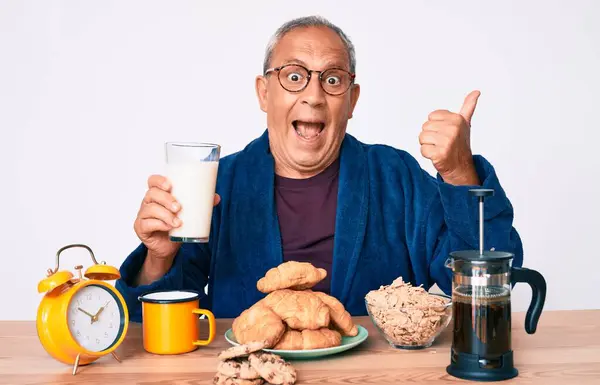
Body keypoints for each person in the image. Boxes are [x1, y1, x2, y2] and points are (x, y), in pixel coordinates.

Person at [116, 16, 523, 322]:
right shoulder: (220, 184)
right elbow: (154, 328)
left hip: (376, 384)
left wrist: (459, 173)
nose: (313, 95)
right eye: (294, 76)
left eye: (332, 80)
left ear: (352, 99)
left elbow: (490, 285)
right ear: (264, 92)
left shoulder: (394, 175)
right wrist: (159, 258)